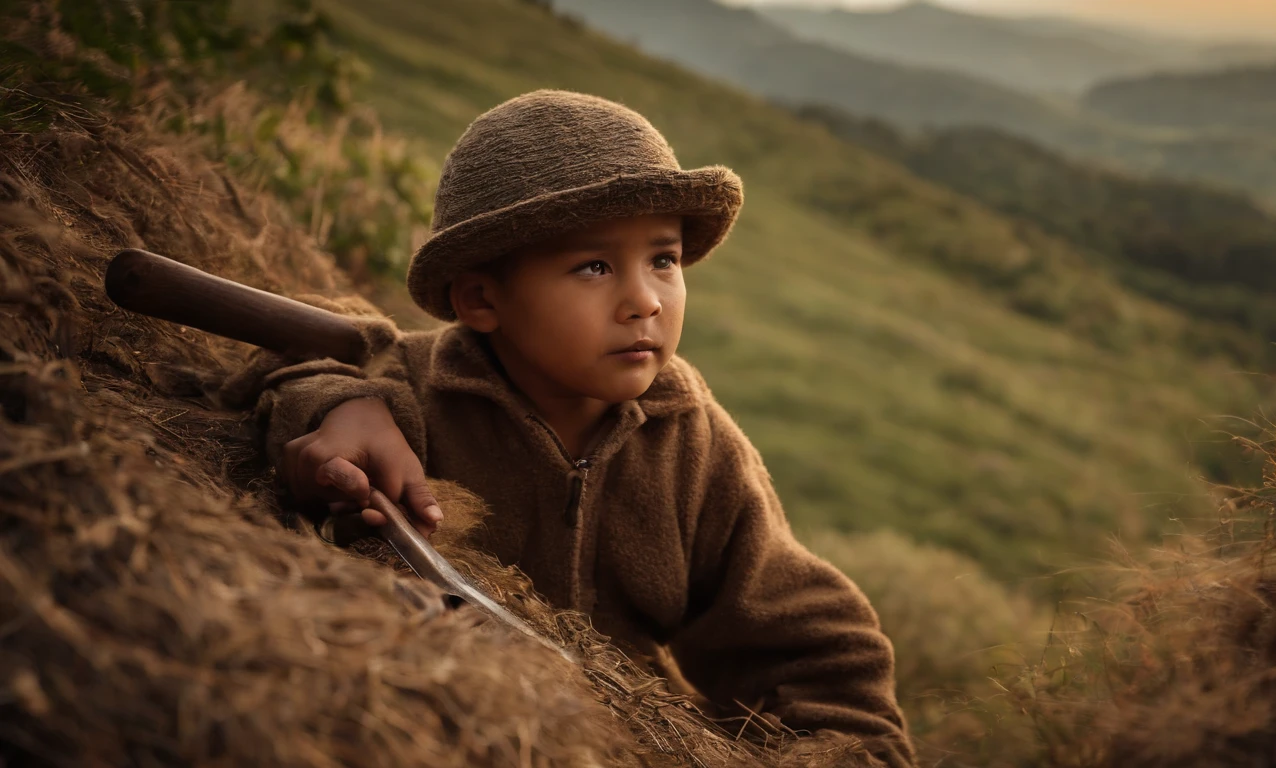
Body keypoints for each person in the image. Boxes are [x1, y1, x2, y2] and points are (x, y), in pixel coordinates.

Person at [250, 89, 915, 766]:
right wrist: (335, 403)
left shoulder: (695, 447)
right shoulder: (415, 393)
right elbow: (289, 354)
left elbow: (813, 648)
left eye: (664, 260)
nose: (646, 300)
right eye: (594, 267)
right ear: (481, 298)